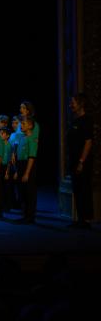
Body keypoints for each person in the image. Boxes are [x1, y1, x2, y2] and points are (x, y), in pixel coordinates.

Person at [68, 93, 94, 229]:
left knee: (84, 189)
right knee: (77, 189)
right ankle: (80, 219)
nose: (70, 105)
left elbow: (88, 142)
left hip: (82, 162)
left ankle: (87, 220)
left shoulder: (86, 121)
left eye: (73, 103)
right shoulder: (74, 121)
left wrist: (81, 161)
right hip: (73, 161)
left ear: (80, 104)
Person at [15, 116, 38, 224]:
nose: (21, 126)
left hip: (28, 166)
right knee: (22, 192)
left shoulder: (32, 139)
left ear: (30, 126)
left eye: (23, 124)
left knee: (29, 192)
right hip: (20, 165)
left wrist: (27, 173)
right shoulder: (22, 138)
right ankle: (24, 215)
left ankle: (30, 217)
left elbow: (31, 157)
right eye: (21, 124)